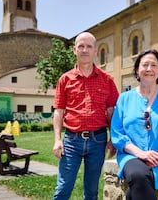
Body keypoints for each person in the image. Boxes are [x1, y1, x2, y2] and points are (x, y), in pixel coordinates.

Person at [111, 49, 158, 200]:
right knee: (138, 174)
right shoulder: (124, 99)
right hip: (131, 155)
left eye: (154, 65)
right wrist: (141, 154)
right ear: (137, 71)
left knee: (140, 182)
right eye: (144, 65)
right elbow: (117, 133)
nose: (149, 69)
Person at [52, 32, 119, 200]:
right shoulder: (65, 79)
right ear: (74, 50)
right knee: (63, 188)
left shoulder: (107, 80)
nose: (84, 50)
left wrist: (113, 139)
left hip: (98, 141)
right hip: (71, 141)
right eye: (80, 46)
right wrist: (57, 139)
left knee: (91, 190)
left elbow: (112, 111)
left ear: (95, 50)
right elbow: (59, 111)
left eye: (89, 46)